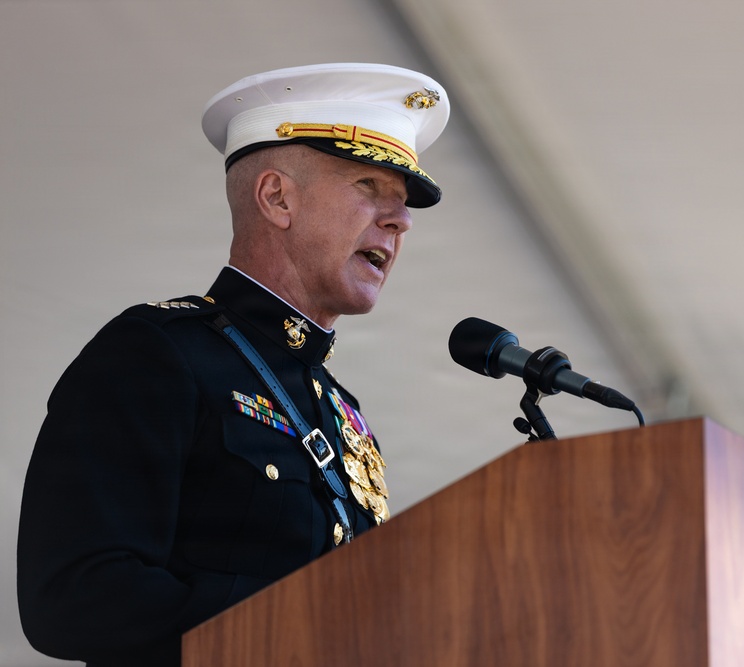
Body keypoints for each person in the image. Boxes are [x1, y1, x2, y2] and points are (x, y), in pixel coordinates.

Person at [17, 63, 450, 667]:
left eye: (403, 204)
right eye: (368, 186)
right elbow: (72, 595)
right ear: (276, 197)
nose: (399, 219)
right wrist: (306, 625)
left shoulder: (340, 409)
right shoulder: (157, 353)